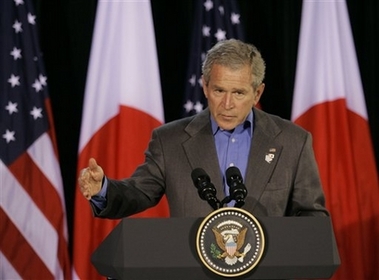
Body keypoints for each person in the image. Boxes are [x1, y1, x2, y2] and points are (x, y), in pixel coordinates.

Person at [78, 39, 328, 218]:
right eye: (219, 90)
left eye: (239, 93)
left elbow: (311, 216)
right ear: (205, 86)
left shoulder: (293, 141)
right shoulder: (170, 140)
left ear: (257, 93)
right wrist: (103, 189)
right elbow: (138, 193)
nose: (227, 104)